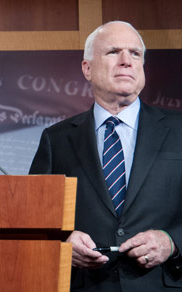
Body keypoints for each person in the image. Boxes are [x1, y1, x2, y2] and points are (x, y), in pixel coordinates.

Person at [30, 21, 182, 291]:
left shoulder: (179, 129)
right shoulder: (56, 139)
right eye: (113, 52)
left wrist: (172, 242)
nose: (126, 61)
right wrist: (62, 243)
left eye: (135, 54)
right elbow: (35, 220)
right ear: (87, 68)